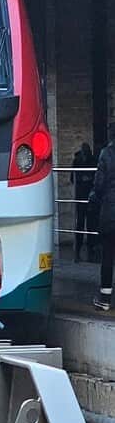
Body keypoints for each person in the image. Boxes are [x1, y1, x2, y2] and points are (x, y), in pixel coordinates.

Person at [87, 124, 115, 311]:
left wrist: (94, 199)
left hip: (110, 212)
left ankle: (105, 299)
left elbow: (99, 185)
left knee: (108, 256)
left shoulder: (106, 153)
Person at [71, 141, 96, 261]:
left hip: (84, 195)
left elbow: (73, 178)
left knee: (86, 223)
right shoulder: (81, 160)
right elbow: (73, 178)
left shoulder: (80, 160)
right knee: (86, 223)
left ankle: (82, 249)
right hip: (85, 195)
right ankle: (85, 248)